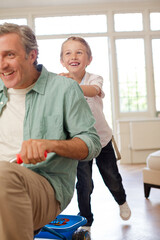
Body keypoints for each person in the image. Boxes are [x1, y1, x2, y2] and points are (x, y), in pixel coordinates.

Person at [0, 23, 102, 240]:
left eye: (9, 55)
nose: (2, 65)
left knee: (2, 175)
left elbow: (91, 142)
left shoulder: (64, 89)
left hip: (43, 185)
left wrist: (51, 144)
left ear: (32, 55)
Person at [60, 36, 131, 227]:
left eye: (79, 52)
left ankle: (121, 200)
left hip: (102, 140)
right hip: (80, 143)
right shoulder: (60, 83)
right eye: (68, 53)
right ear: (62, 61)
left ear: (88, 59)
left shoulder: (94, 79)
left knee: (112, 178)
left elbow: (92, 90)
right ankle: (85, 220)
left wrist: (72, 85)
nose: (73, 56)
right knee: (84, 184)